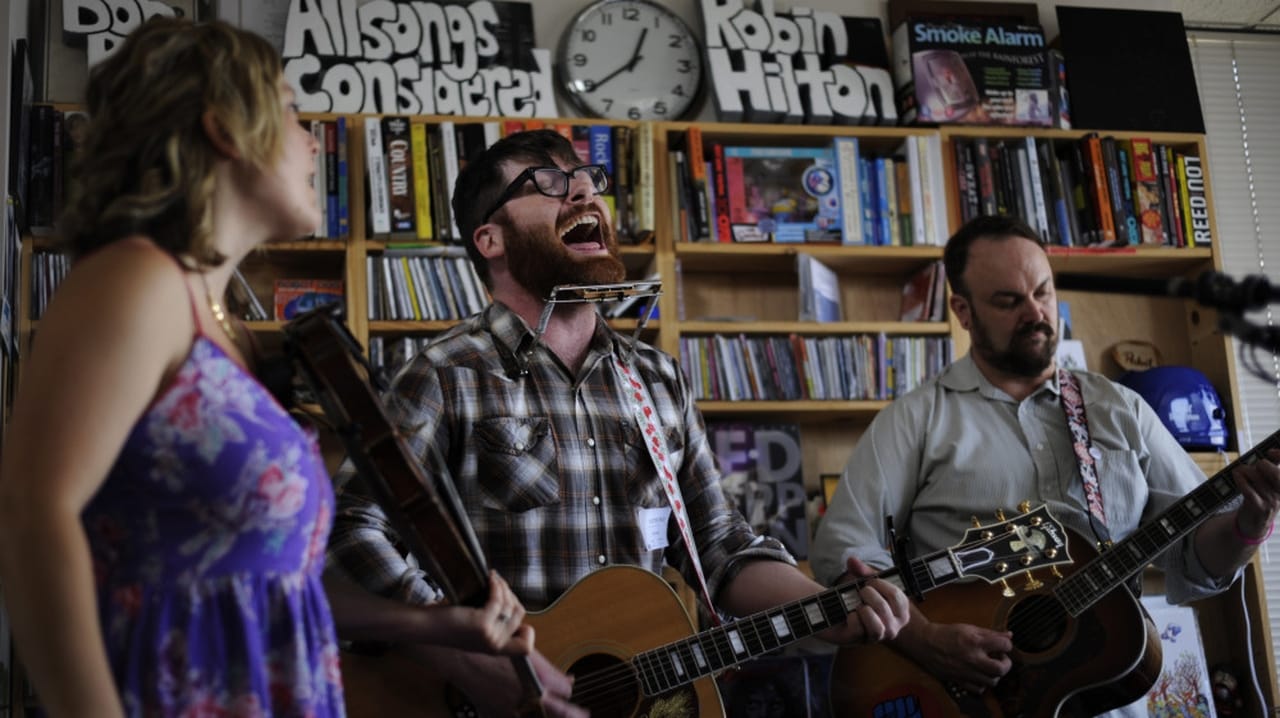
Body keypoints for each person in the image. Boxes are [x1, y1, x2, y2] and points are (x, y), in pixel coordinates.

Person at [0, 17, 538, 718]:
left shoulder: (223, 327)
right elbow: (32, 515)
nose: (315, 141)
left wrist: (434, 625)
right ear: (224, 128)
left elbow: (265, 581)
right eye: (291, 112)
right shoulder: (136, 280)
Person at [326, 128, 912, 715]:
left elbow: (716, 543)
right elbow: (350, 530)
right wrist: (468, 656)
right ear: (490, 238)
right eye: (548, 184)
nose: (582, 194)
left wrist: (829, 607)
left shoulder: (658, 380)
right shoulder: (442, 374)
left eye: (588, 181)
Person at [810, 215, 1280, 713]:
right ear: (963, 311)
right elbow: (842, 553)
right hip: (963, 697)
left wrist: (1249, 524)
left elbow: (1194, 555)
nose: (1035, 313)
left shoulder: (1122, 410)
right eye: (1009, 301)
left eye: (1043, 292)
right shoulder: (916, 419)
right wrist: (926, 639)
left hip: (1110, 691)